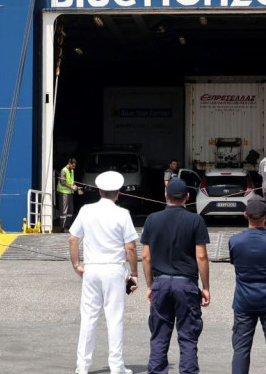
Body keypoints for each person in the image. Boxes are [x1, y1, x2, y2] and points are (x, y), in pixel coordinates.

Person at [70, 171, 140, 374]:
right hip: (114, 270)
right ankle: (117, 366)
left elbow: (73, 239)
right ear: (118, 193)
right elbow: (131, 248)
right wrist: (134, 273)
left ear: (99, 191)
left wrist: (76, 266)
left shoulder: (86, 210)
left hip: (91, 269)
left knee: (89, 318)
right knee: (114, 318)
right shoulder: (122, 214)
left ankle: (82, 366)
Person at [142, 178, 211, 374]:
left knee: (159, 336)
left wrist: (150, 285)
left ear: (165, 196)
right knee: (188, 336)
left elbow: (146, 257)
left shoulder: (152, 219)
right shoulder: (196, 220)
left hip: (161, 283)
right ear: (187, 198)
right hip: (186, 284)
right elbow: (201, 256)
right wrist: (205, 287)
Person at [228, 199, 266, 374]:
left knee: (241, 348)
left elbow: (235, 262)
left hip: (244, 301)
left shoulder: (235, 241)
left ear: (245, 215)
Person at [58, 158, 83, 230]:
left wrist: (76, 187)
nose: (74, 167)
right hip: (63, 193)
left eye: (74, 166)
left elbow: (72, 181)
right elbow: (63, 183)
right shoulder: (63, 171)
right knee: (64, 210)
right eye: (73, 166)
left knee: (70, 210)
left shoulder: (71, 171)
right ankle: (63, 227)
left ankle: (68, 225)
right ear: (69, 163)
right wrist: (72, 187)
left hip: (69, 192)